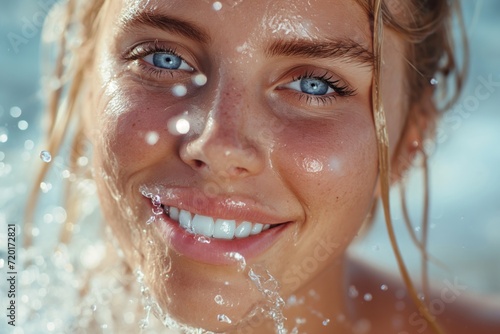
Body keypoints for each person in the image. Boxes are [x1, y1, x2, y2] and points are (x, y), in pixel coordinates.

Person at [26, 0, 500, 333]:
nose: (218, 146)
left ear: (406, 145)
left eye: (315, 85)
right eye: (163, 57)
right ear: (86, 83)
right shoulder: (28, 307)